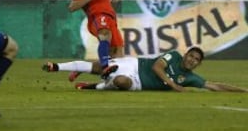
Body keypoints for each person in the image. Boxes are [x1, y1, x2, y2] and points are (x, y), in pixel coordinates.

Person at [43, 0, 136, 80]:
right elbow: (72, 7)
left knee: (117, 56)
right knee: (105, 35)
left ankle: (82, 68)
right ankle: (105, 67)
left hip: (112, 21)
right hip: (97, 17)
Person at [43, 46, 248, 92]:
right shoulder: (174, 56)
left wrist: (244, 90)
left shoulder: (191, 78)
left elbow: (215, 86)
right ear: (185, 55)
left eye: (196, 60)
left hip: (138, 83)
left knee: (121, 82)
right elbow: (158, 67)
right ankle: (57, 66)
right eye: (191, 56)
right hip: (136, 64)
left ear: (199, 64)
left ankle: (96, 85)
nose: (192, 61)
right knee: (98, 66)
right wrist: (172, 84)